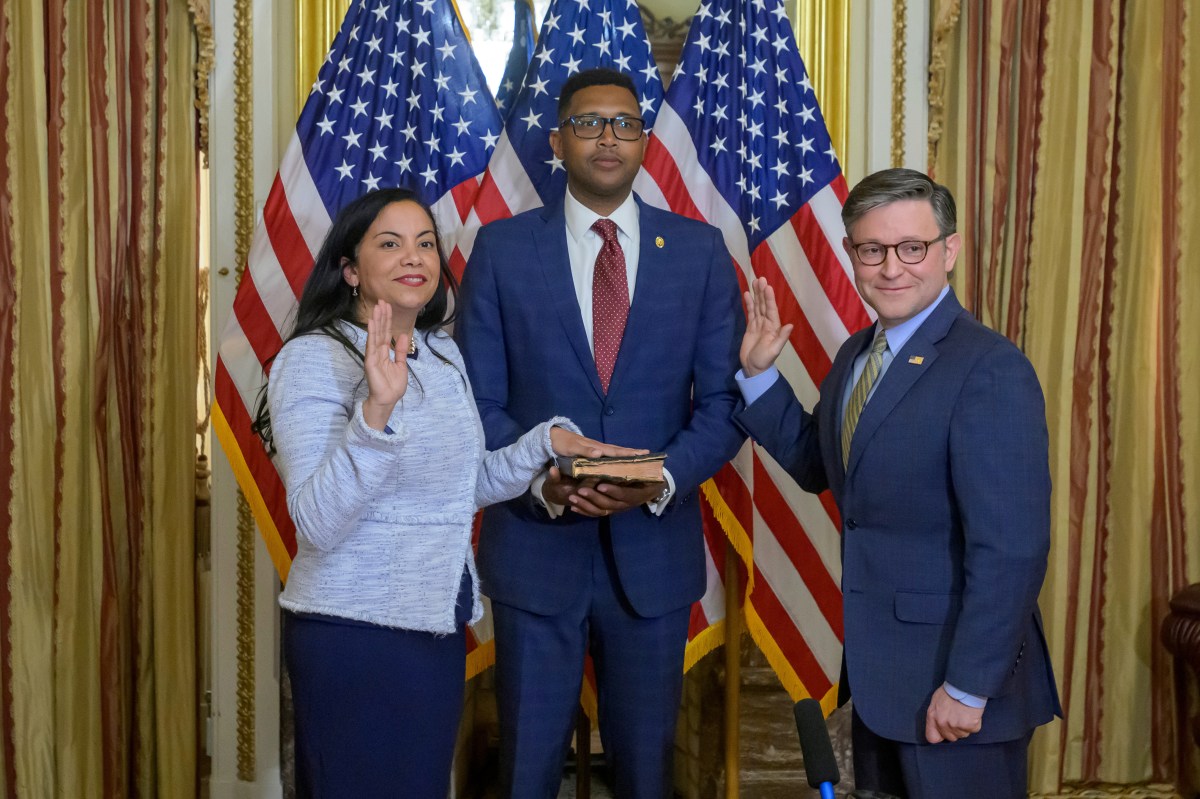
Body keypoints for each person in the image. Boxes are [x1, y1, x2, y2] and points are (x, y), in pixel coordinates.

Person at [254, 187, 640, 796]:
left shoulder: (441, 356)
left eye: (426, 243)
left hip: (434, 628)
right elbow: (318, 522)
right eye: (390, 243)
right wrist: (377, 411)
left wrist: (548, 443)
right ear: (350, 269)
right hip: (352, 633)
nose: (415, 257)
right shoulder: (311, 360)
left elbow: (465, 485)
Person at [455, 68, 746, 797]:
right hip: (534, 549)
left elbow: (723, 404)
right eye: (589, 123)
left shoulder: (702, 252)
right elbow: (478, 406)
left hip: (652, 556)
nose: (607, 137)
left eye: (623, 123)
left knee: (647, 773)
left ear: (645, 139)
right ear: (558, 140)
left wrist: (657, 478)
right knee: (526, 772)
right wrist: (545, 483)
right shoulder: (501, 249)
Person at [735, 168, 1061, 798]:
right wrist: (759, 376)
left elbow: (1012, 549)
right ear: (852, 253)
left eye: (912, 248)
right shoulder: (857, 355)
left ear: (950, 250)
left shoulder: (990, 369)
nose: (892, 268)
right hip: (879, 681)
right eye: (872, 250)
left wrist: (968, 687)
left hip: (957, 691)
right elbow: (819, 466)